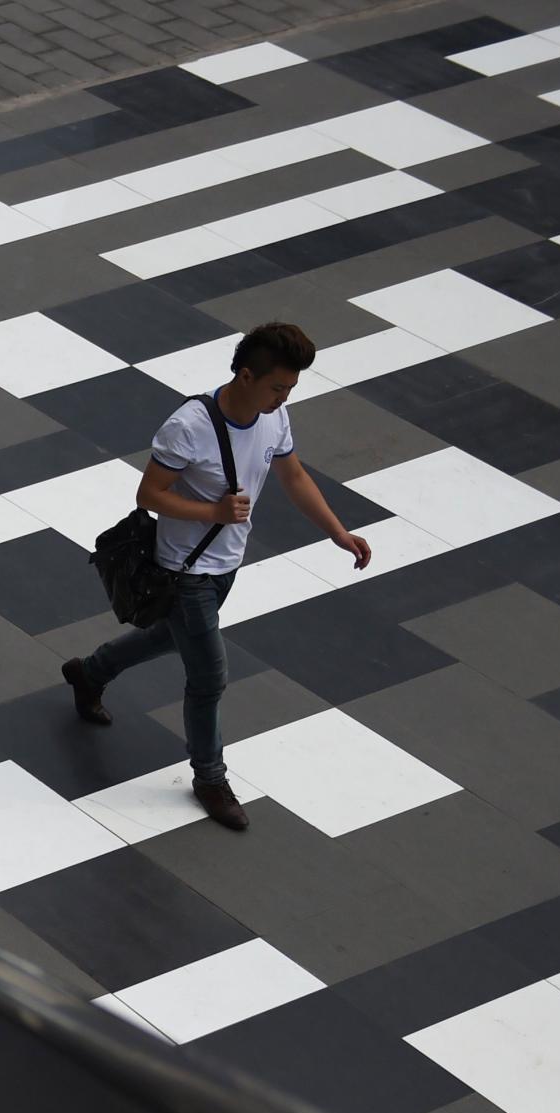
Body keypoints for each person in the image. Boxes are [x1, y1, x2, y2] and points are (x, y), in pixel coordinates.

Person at [61, 323, 370, 831]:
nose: (285, 397)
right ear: (245, 375)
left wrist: (337, 532)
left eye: (290, 388)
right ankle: (209, 777)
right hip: (185, 572)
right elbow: (149, 496)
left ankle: (90, 673)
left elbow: (293, 475)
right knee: (208, 676)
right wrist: (213, 513)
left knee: (167, 636)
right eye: (277, 387)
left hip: (226, 566)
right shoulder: (188, 427)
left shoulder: (275, 418)